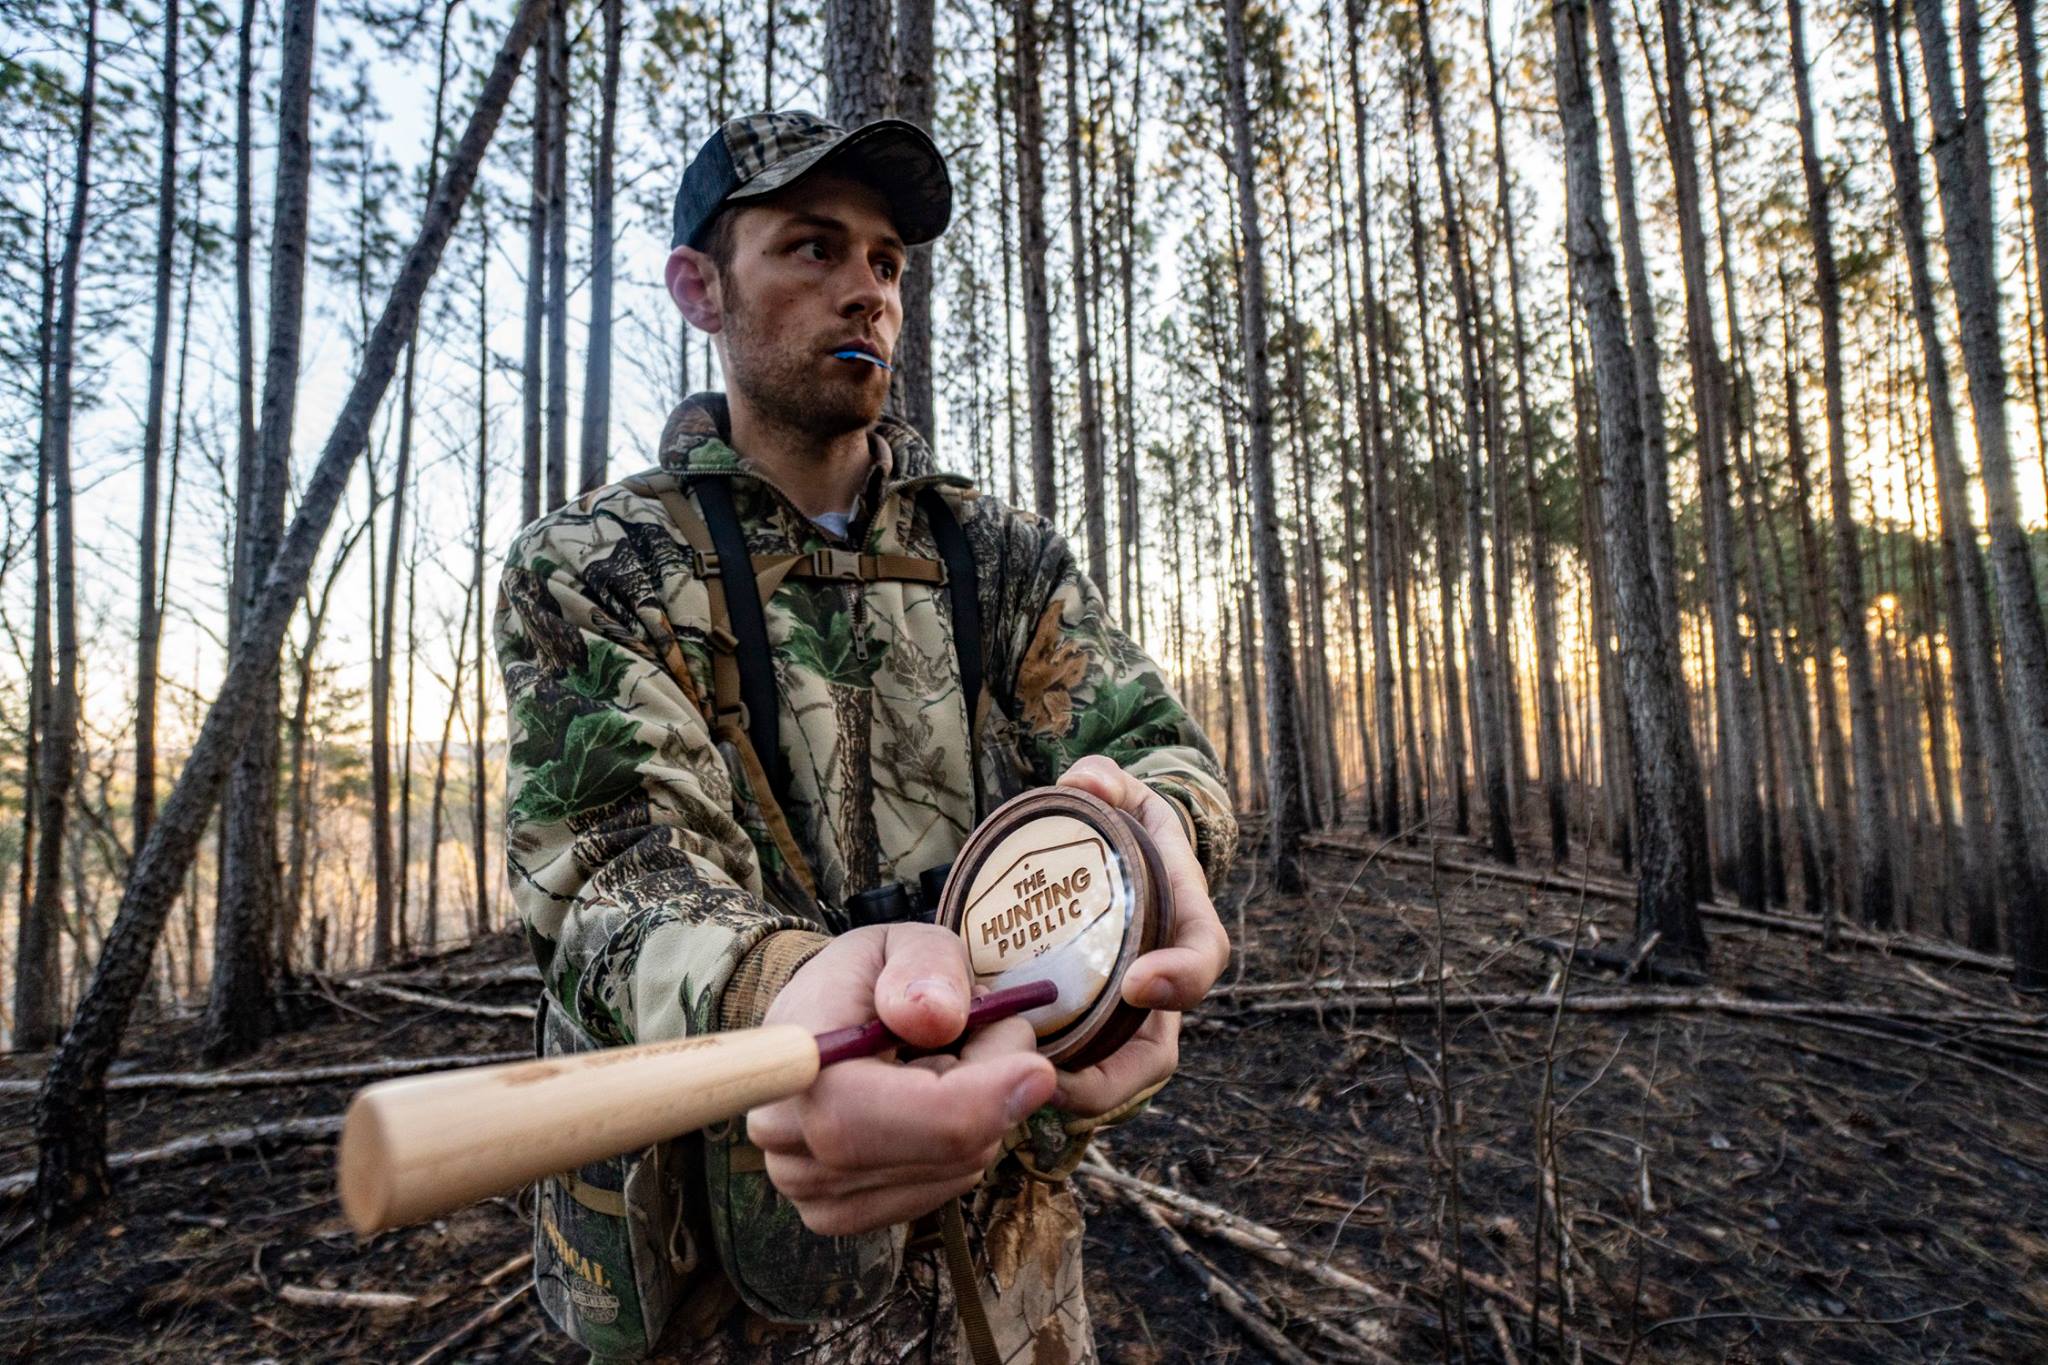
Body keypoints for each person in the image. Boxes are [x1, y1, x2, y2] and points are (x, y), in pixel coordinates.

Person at [496, 109, 1238, 1363]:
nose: (865, 292)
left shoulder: (998, 557)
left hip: (998, 1248)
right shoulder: (595, 567)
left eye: (886, 263)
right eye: (809, 248)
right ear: (698, 288)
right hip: (717, 1261)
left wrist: (1161, 857)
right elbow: (612, 873)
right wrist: (785, 989)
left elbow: (1154, 751)